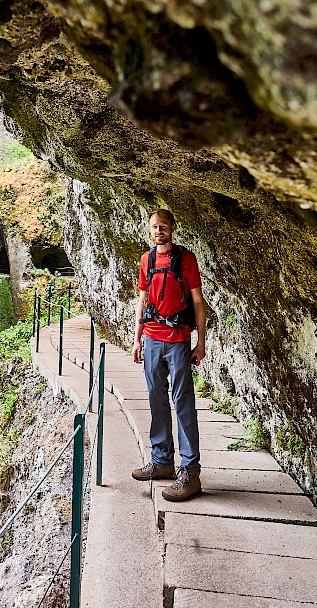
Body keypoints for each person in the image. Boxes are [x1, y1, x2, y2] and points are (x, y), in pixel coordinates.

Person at [131, 208, 206, 501]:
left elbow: (198, 301)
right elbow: (143, 300)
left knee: (183, 399)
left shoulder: (186, 259)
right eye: (154, 226)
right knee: (156, 398)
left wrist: (200, 343)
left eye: (163, 226)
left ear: (173, 228)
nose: (159, 230)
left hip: (177, 339)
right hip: (151, 339)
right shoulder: (146, 260)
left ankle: (190, 471)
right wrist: (137, 340)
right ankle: (162, 462)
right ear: (150, 229)